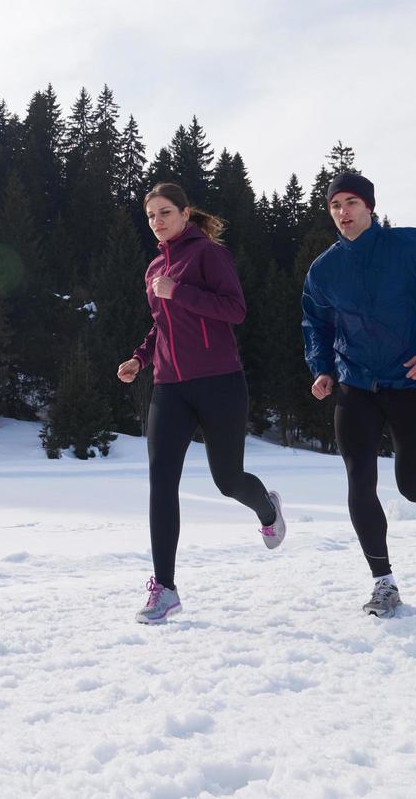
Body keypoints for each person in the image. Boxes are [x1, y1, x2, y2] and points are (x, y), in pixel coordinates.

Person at [301, 172, 416, 618]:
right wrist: (322, 369)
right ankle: (384, 583)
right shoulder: (324, 269)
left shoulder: (413, 246)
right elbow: (316, 325)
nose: (343, 212)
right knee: (359, 481)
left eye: (352, 203)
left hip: (412, 383)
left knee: (412, 488)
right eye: (335, 205)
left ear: (370, 207)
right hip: (355, 385)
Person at [117, 182, 286, 624]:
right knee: (161, 482)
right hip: (169, 387)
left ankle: (266, 507)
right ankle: (165, 589)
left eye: (165, 212)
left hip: (220, 382)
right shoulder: (155, 267)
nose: (157, 221)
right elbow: (160, 327)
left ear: (185, 213)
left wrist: (181, 292)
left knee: (227, 480)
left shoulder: (208, 254)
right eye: (151, 215)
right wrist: (140, 358)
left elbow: (235, 310)